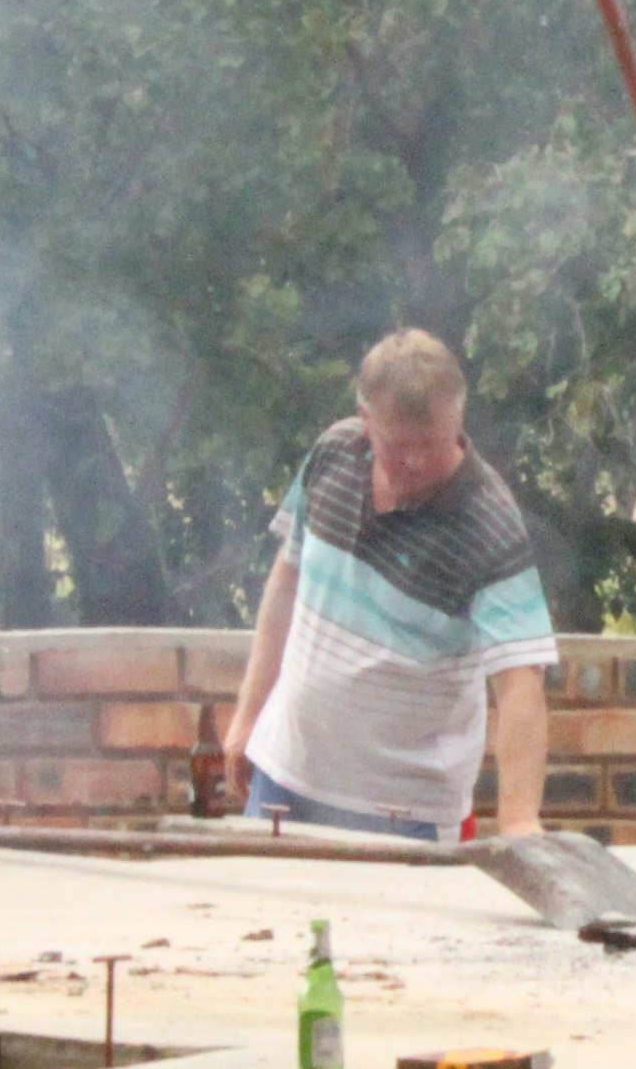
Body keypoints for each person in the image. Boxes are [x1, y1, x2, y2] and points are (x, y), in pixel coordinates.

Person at [225, 331, 555, 842]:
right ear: (365, 419)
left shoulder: (487, 522)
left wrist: (518, 821)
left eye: (432, 444)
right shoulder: (333, 454)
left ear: (459, 419)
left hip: (405, 812)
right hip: (284, 780)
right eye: (400, 446)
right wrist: (248, 713)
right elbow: (288, 578)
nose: (417, 462)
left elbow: (520, 683)